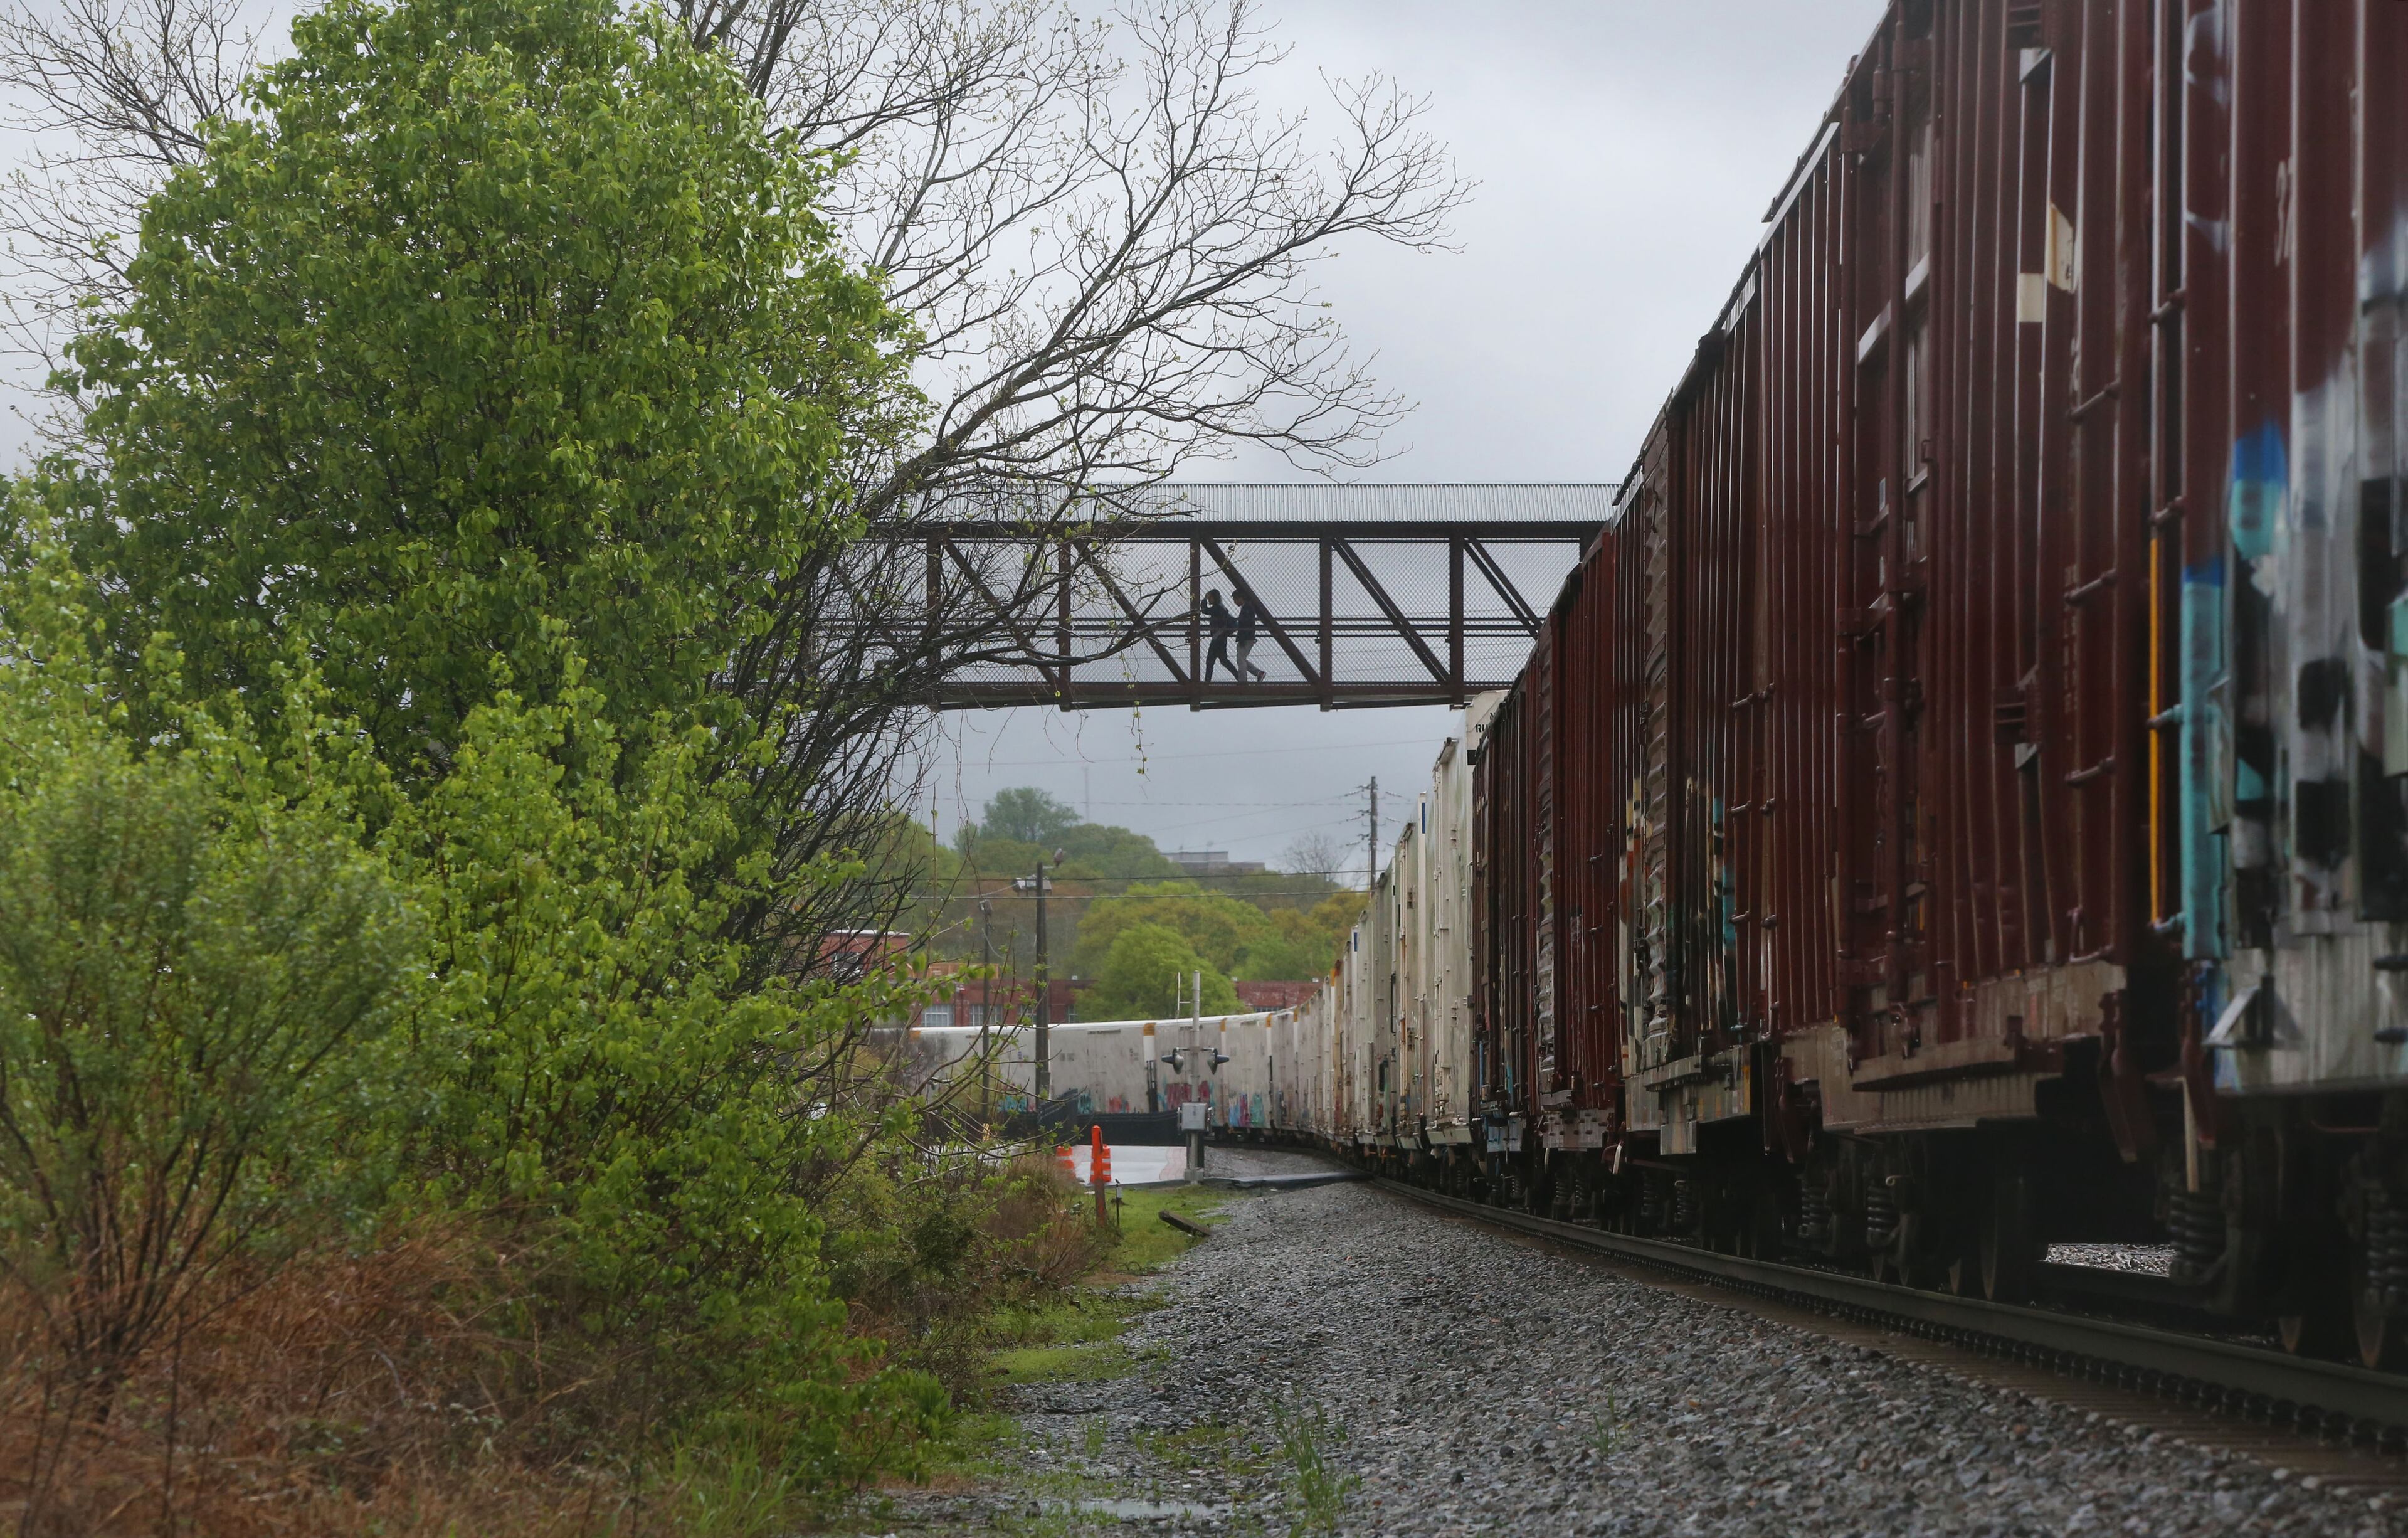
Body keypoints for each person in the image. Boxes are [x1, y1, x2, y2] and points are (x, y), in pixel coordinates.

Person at [1201, 589, 1237, 681]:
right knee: (1224, 660)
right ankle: (1239, 677)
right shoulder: (1222, 608)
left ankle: (1207, 682)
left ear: (1214, 598)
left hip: (1217, 638)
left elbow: (1205, 611)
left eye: (1210, 598)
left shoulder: (1216, 608)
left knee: (1210, 661)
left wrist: (1204, 599)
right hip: (1222, 637)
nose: (1209, 600)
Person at [1234, 593, 1268, 682]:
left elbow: (1245, 624)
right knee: (1241, 659)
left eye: (1235, 600)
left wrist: (1242, 638)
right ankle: (1258, 673)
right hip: (1248, 637)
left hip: (1245, 638)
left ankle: (1243, 681)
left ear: (1240, 598)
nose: (1235, 602)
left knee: (1241, 660)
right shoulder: (1248, 607)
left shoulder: (1247, 608)